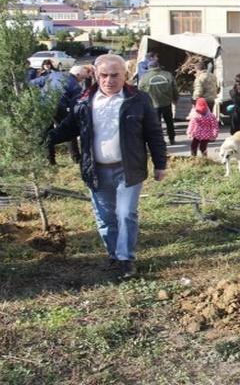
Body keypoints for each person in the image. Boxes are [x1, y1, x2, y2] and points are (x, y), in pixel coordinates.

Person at [47, 54, 167, 279]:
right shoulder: (84, 101)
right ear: (95, 75)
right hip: (96, 169)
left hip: (129, 168)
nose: (109, 80)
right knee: (105, 217)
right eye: (104, 75)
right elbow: (68, 128)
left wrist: (160, 164)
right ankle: (113, 253)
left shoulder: (139, 100)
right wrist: (43, 139)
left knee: (126, 213)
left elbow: (154, 133)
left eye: (115, 75)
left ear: (125, 75)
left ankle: (126, 259)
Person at [31, 65, 86, 164]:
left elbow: (33, 83)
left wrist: (39, 95)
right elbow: (74, 104)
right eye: (82, 78)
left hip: (42, 105)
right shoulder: (75, 86)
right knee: (68, 130)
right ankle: (76, 157)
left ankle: (49, 160)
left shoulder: (54, 75)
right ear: (77, 75)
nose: (81, 80)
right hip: (59, 106)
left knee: (46, 133)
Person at [139, 59, 179, 145]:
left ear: (149, 67)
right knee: (169, 122)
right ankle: (172, 139)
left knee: (157, 124)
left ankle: (160, 141)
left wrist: (143, 104)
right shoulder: (168, 75)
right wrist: (175, 99)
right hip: (166, 103)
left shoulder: (144, 77)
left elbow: (140, 91)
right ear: (158, 66)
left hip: (152, 104)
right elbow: (175, 88)